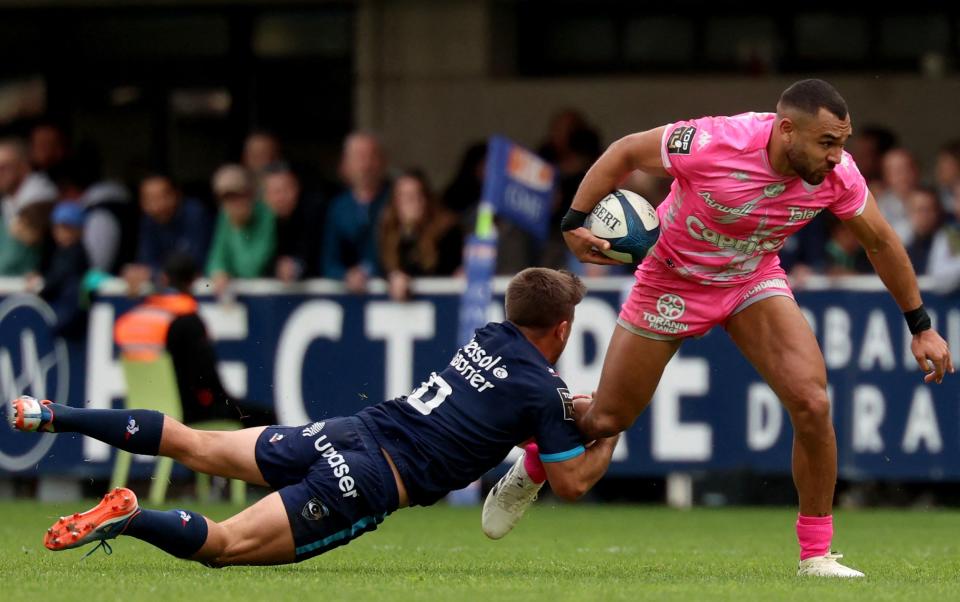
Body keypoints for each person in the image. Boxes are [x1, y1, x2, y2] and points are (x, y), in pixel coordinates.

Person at [485, 79, 953, 578]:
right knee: (604, 422)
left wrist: (921, 326)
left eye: (842, 142)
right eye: (827, 143)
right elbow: (625, 153)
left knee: (812, 402)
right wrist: (574, 221)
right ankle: (536, 460)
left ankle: (816, 555)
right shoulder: (714, 141)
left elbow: (880, 243)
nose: (838, 157)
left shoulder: (840, 177)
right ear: (786, 130)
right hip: (671, 279)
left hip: (751, 278)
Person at [10, 268, 617, 566]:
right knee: (223, 546)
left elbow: (514, 402)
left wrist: (558, 416)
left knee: (194, 444)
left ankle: (52, 413)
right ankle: (134, 517)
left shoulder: (488, 336)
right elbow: (572, 481)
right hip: (370, 480)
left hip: (348, 430)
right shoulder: (542, 390)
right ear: (562, 330)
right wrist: (611, 423)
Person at [114, 253, 274, 427]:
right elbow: (209, 381)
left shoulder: (140, 316)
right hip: (188, 414)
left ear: (164, 278)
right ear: (194, 281)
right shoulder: (189, 321)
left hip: (144, 412)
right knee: (267, 418)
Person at [379, 170, 463, 300]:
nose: (414, 202)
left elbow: (439, 272)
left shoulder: (447, 232)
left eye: (418, 195)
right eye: (406, 197)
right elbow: (381, 268)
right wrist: (394, 276)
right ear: (395, 203)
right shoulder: (387, 232)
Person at [322, 132, 390, 292]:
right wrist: (345, 275)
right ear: (345, 164)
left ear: (382, 162)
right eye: (359, 157)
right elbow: (328, 260)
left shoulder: (394, 200)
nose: (366, 165)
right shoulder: (337, 207)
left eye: (372, 156)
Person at [123, 173, 212, 292]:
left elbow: (195, 265)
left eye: (162, 196)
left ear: (177, 194)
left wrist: (154, 274)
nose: (157, 206)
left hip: (199, 289)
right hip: (165, 289)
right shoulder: (148, 221)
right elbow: (145, 261)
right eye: (149, 199)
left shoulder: (195, 214)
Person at [205, 164, 276, 296]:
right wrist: (219, 272)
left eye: (239, 195)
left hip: (268, 295)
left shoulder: (267, 214)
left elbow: (251, 269)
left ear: (251, 193)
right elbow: (216, 258)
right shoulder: (225, 216)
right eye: (226, 198)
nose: (233, 203)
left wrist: (238, 227)